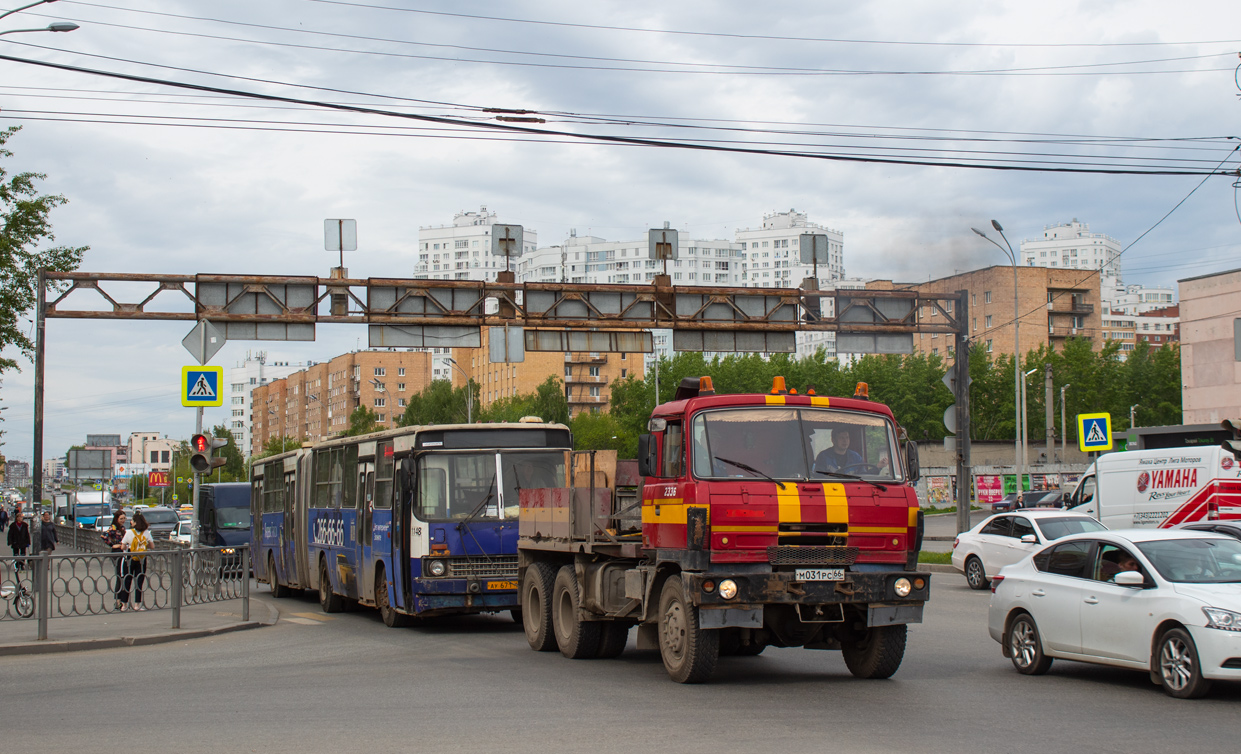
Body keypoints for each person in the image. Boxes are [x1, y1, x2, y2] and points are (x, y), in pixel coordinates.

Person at [121, 511, 153, 611]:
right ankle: (137, 605)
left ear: (135, 522)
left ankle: (124, 605)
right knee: (139, 580)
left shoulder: (129, 532)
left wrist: (128, 546)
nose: (130, 522)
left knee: (127, 579)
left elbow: (123, 545)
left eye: (132, 521)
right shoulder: (146, 532)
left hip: (130, 557)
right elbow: (152, 546)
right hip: (142, 558)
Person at [102, 510, 129, 610]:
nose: (123, 520)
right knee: (119, 575)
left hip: (122, 552)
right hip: (117, 553)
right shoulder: (113, 527)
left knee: (122, 575)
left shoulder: (122, 528)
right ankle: (118, 600)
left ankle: (120, 600)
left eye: (124, 518)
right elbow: (104, 536)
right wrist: (113, 545)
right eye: (121, 519)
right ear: (116, 519)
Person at [7, 504, 30, 571]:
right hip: (15, 541)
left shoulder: (24, 525)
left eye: (21, 517)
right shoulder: (13, 526)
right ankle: (17, 565)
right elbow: (10, 534)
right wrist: (10, 542)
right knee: (16, 554)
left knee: (23, 554)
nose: (20, 518)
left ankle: (22, 565)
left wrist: (28, 542)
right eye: (19, 517)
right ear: (17, 518)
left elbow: (27, 534)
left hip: (23, 541)